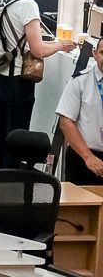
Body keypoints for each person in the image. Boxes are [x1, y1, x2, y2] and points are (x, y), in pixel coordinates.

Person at [0, 0, 77, 178]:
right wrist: (60, 44)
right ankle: (6, 188)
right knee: (16, 139)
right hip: (16, 82)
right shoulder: (27, 5)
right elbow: (38, 50)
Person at [55, 37, 103, 186]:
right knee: (82, 208)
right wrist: (88, 157)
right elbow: (66, 122)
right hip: (85, 158)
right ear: (94, 54)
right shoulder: (80, 81)